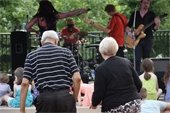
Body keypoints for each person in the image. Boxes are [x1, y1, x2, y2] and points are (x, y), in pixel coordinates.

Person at [20, 30, 81, 113]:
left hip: (45, 99)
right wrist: (74, 98)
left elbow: (24, 83)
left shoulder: (31, 56)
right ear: (56, 41)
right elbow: (77, 78)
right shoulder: (67, 53)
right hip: (65, 97)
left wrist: (22, 109)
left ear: (42, 42)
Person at [90, 37, 142, 113]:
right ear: (116, 48)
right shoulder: (126, 62)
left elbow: (99, 92)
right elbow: (139, 84)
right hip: (134, 103)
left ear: (101, 51)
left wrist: (94, 103)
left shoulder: (100, 69)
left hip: (114, 105)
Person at [126, 0, 160, 74]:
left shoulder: (152, 14)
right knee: (137, 59)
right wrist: (131, 32)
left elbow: (155, 29)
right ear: (140, 3)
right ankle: (137, 77)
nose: (146, 5)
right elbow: (128, 27)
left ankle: (147, 76)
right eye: (144, 3)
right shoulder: (135, 14)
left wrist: (157, 24)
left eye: (148, 3)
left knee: (146, 60)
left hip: (148, 39)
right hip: (136, 40)